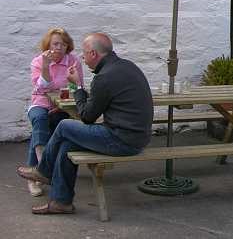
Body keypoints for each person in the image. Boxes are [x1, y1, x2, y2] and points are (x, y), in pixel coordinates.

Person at [17, 32, 154, 215]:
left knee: (65, 125)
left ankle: (44, 172)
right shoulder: (127, 66)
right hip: (136, 137)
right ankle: (61, 202)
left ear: (93, 54)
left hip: (122, 140)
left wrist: (78, 87)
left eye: (84, 53)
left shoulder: (104, 77)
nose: (82, 57)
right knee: (67, 145)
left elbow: (87, 117)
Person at [26, 28, 83, 197]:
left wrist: (65, 100)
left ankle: (37, 172)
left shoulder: (73, 61)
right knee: (40, 119)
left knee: (60, 125)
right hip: (40, 101)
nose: (59, 48)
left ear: (68, 46)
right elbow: (42, 88)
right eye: (55, 44)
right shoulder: (38, 61)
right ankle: (40, 169)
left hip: (63, 104)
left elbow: (76, 86)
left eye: (63, 44)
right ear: (48, 45)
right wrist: (45, 66)